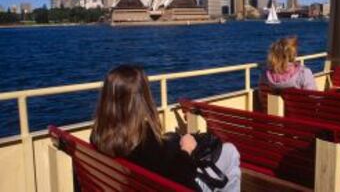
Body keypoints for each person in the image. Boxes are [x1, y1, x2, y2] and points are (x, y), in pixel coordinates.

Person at [90, 65, 240, 191]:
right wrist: (187, 149)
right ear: (142, 99)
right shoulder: (143, 139)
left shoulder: (98, 135)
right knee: (230, 152)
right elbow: (181, 178)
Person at [258, 37, 317, 111]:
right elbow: (313, 101)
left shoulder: (264, 74)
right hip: (299, 119)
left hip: (272, 118)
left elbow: (262, 100)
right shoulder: (303, 74)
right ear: (293, 54)